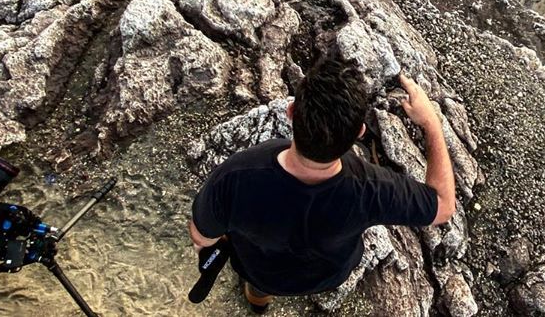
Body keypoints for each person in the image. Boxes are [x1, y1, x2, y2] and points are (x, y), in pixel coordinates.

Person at [188, 55, 456, 313]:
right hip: (326, 276)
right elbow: (443, 206)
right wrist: (432, 122)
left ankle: (259, 300)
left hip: (260, 271)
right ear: (359, 132)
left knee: (259, 285)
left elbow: (203, 236)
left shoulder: (237, 174)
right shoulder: (372, 189)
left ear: (291, 112)